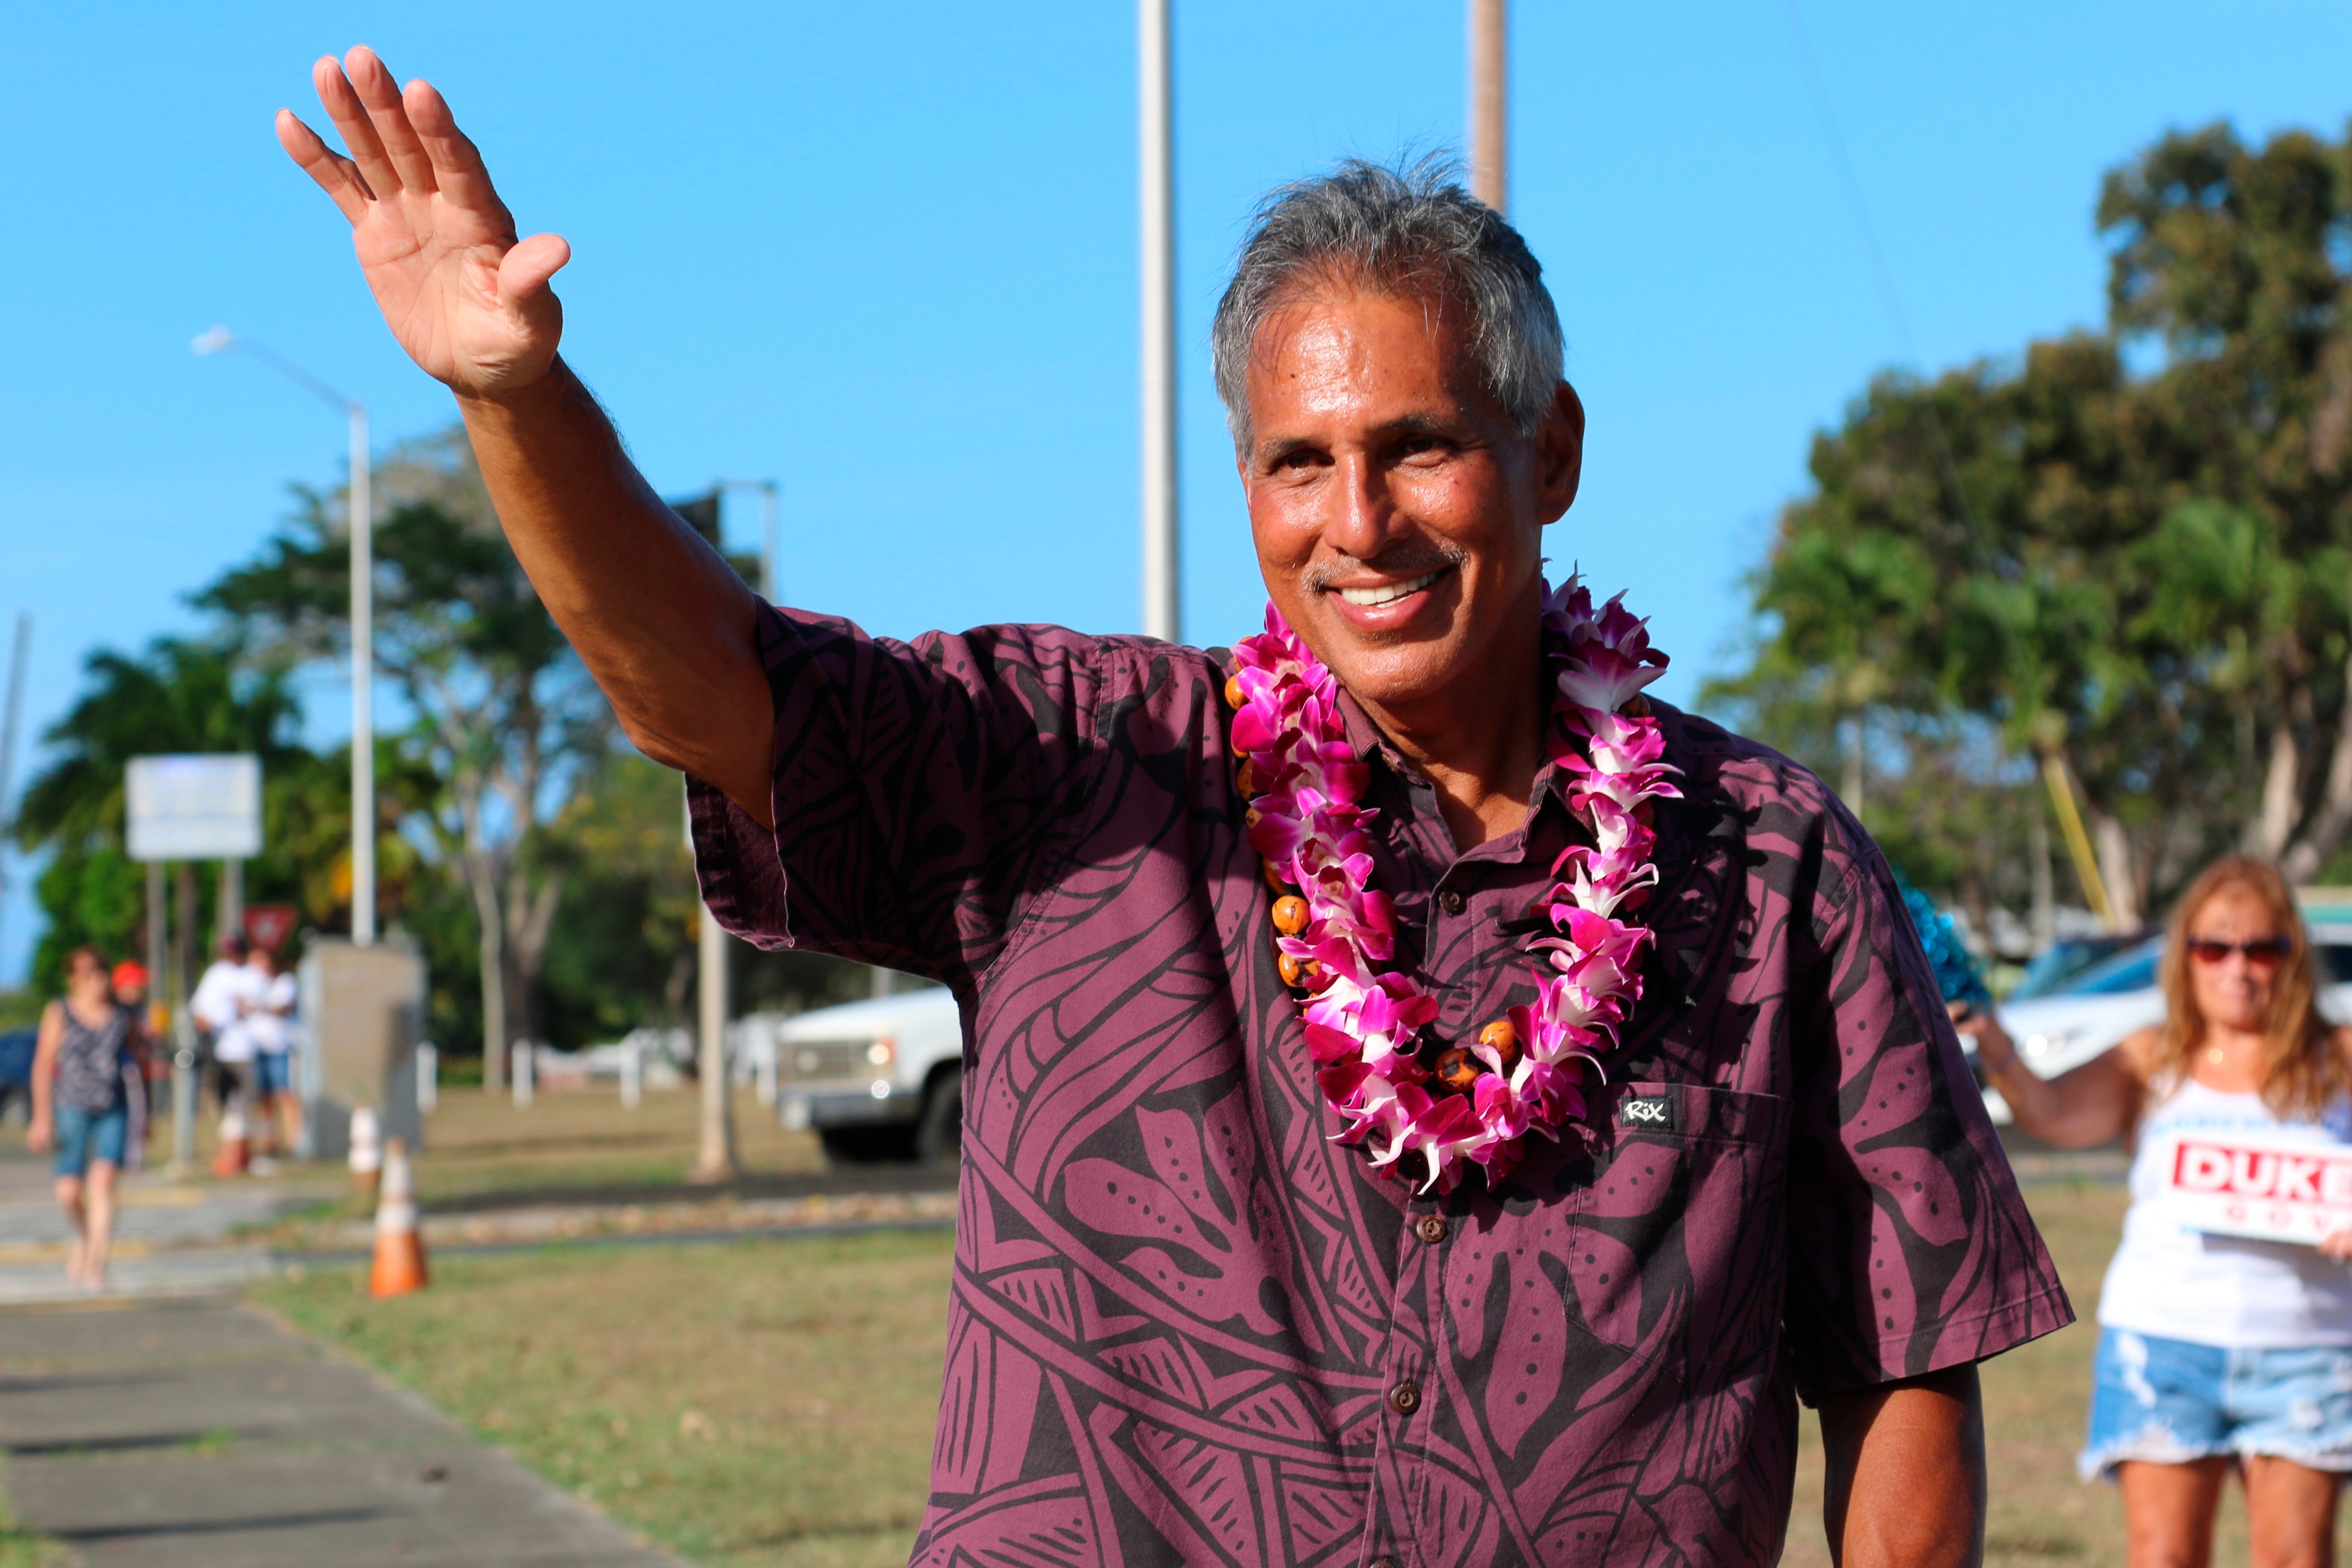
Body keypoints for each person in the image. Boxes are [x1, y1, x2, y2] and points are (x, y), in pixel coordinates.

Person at [277, 48, 2071, 1565]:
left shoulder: (1762, 855)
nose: (1355, 522)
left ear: (1554, 453)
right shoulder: (1074, 772)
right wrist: (518, 401)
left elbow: (1905, 1354)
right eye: (1300, 463)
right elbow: (715, 695)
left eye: (1420, 447)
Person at [1960, 857, 2352, 1568]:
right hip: (2163, 1344)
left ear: (2292, 956)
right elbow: (2052, 1114)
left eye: (2262, 947)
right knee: (2164, 1554)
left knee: (2298, 1556)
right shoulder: (2150, 1055)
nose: (2238, 968)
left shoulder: (2341, 1057)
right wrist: (1994, 1042)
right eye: (2214, 946)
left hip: (2311, 1351)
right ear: (2185, 956)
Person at [27, 946, 148, 1290]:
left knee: (105, 1182)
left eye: (100, 972)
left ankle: (96, 1264)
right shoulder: (60, 1012)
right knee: (69, 1191)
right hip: (71, 1106)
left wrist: (146, 1116)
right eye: (86, 974)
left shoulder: (123, 1014)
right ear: (73, 979)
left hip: (114, 1106)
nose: (95, 980)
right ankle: (85, 1236)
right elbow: (42, 1065)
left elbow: (140, 1064)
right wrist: (42, 1117)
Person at [189, 933, 256, 1119]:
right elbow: (199, 1008)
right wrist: (203, 1024)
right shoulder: (216, 973)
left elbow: (260, 1006)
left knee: (250, 1100)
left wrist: (244, 1007)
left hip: (247, 1048)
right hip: (218, 1046)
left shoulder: (252, 974)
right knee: (223, 1098)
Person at [245, 946, 301, 1159]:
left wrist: (258, 1007)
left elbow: (283, 1008)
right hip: (257, 1048)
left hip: (281, 1048)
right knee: (263, 1099)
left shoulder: (285, 981)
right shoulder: (251, 984)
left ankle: (294, 1142)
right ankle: (270, 1141)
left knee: (285, 1095)